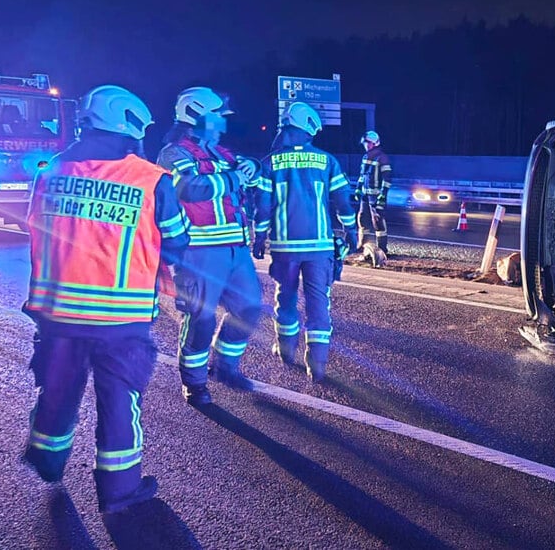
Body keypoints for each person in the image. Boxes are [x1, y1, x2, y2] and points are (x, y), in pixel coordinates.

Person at [22, 85, 190, 513]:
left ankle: (46, 460)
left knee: (57, 390)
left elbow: (34, 227)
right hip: (121, 318)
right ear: (129, 125)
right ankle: (118, 491)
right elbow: (175, 242)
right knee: (119, 401)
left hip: (58, 314)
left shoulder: (53, 169)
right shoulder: (151, 180)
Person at [156, 86, 262, 406]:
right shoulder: (173, 152)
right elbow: (188, 188)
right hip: (198, 252)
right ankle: (195, 383)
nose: (221, 123)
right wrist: (233, 179)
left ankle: (225, 368)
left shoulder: (220, 152)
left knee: (249, 307)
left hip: (235, 248)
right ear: (196, 116)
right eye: (216, 117)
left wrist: (253, 168)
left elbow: (250, 174)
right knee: (200, 319)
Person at [252, 102, 357, 381]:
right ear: (309, 128)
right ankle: (317, 365)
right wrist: (352, 230)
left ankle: (286, 351)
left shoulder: (270, 162)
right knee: (318, 305)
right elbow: (343, 201)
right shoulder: (327, 161)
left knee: (285, 299)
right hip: (320, 248)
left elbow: (263, 205)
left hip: (285, 248)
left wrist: (260, 236)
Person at [354, 130, 392, 256]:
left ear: (374, 143)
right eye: (365, 143)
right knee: (362, 219)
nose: (366, 145)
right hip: (365, 194)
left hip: (375, 196)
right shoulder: (365, 157)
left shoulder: (382, 157)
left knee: (378, 221)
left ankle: (382, 249)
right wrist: (358, 188)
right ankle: (362, 246)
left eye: (368, 143)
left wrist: (383, 195)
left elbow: (387, 179)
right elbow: (362, 175)